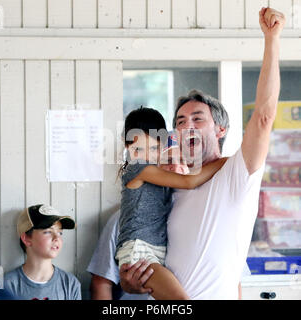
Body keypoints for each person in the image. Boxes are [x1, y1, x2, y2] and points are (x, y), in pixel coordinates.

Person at [119, 7, 285, 300]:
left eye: (198, 118)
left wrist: (272, 39)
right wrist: (131, 284)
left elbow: (264, 115)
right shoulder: (169, 187)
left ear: (220, 130)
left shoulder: (237, 172)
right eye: (180, 122)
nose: (187, 126)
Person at [115, 108, 227, 300]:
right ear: (127, 148)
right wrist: (230, 162)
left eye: (154, 149)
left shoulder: (161, 173)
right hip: (140, 249)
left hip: (158, 251)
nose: (147, 155)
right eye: (138, 149)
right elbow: (188, 181)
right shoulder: (137, 168)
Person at [87, 133, 189, 300]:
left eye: (183, 161)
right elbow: (101, 283)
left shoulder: (197, 216)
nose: (177, 168)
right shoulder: (124, 219)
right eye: (168, 161)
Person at [4, 204, 82, 300]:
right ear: (26, 239)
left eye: (60, 233)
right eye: (48, 232)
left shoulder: (70, 283)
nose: (57, 238)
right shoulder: (7, 285)